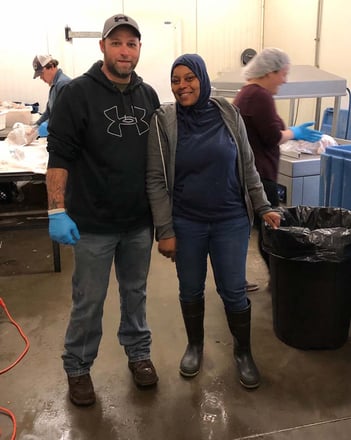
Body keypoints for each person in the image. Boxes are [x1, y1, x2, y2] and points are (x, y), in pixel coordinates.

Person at [146, 53, 281, 389]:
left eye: (189, 78)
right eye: (176, 80)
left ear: (202, 79)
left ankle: (243, 353)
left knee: (233, 290)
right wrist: (165, 230)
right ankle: (195, 345)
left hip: (230, 220)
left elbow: (247, 165)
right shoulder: (164, 120)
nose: (182, 86)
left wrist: (263, 207)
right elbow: (155, 180)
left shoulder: (227, 112)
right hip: (187, 222)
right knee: (190, 287)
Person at [45, 13, 160, 406]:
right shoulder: (77, 94)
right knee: (88, 301)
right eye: (117, 43)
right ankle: (78, 368)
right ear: (102, 48)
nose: (125, 51)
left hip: (137, 224)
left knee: (136, 295)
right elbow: (59, 157)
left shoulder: (147, 96)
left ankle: (139, 355)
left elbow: (157, 161)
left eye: (131, 43)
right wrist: (56, 210)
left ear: (139, 49)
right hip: (91, 224)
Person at [233, 47, 323, 268]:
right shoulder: (259, 95)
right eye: (283, 73)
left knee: (257, 232)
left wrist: (289, 130)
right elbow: (272, 137)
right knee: (271, 232)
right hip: (260, 176)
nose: (284, 80)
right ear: (269, 72)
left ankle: (248, 279)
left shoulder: (246, 92)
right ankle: (280, 279)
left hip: (248, 173)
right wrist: (295, 132)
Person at [32, 54, 71, 135]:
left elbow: (63, 114)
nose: (41, 78)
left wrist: (45, 125)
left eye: (42, 73)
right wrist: (35, 126)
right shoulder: (54, 86)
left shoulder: (63, 84)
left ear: (52, 66)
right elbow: (49, 112)